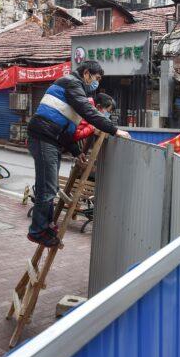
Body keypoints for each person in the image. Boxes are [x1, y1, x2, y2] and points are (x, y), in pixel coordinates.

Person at [26, 61, 130, 247]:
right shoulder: (72, 83)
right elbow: (89, 112)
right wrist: (114, 130)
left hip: (51, 139)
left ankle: (46, 226)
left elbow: (68, 126)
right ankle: (37, 231)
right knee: (47, 187)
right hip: (43, 137)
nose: (96, 83)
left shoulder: (75, 87)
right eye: (96, 78)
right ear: (87, 73)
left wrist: (75, 152)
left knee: (51, 185)